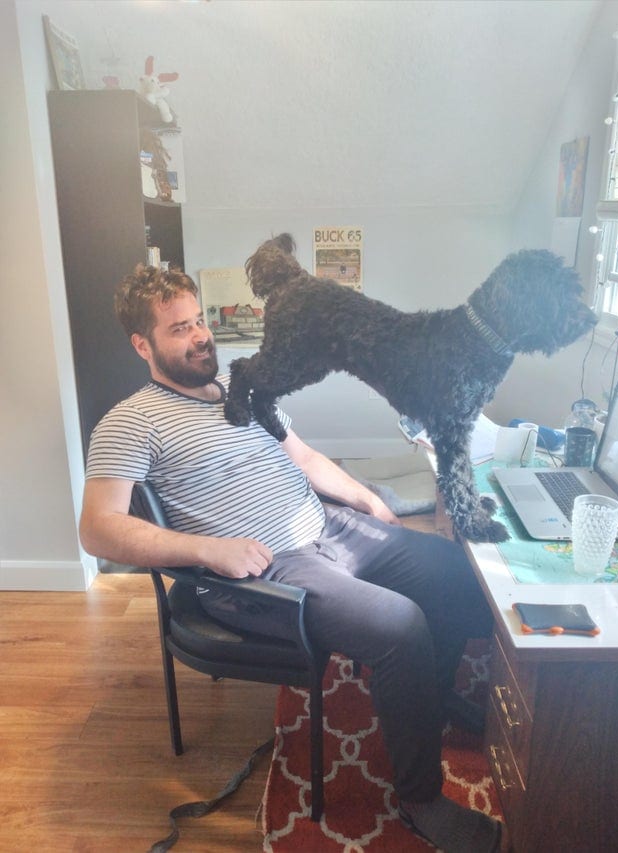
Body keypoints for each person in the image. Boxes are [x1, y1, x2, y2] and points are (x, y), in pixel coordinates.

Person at [80, 264, 501, 853]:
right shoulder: (131, 422)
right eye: (179, 329)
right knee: (401, 626)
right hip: (268, 570)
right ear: (141, 344)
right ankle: (420, 798)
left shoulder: (245, 388)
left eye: (199, 320)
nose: (200, 336)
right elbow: (98, 529)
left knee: (458, 575)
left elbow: (303, 458)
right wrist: (206, 549)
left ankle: (430, 693)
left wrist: (368, 500)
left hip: (331, 527)